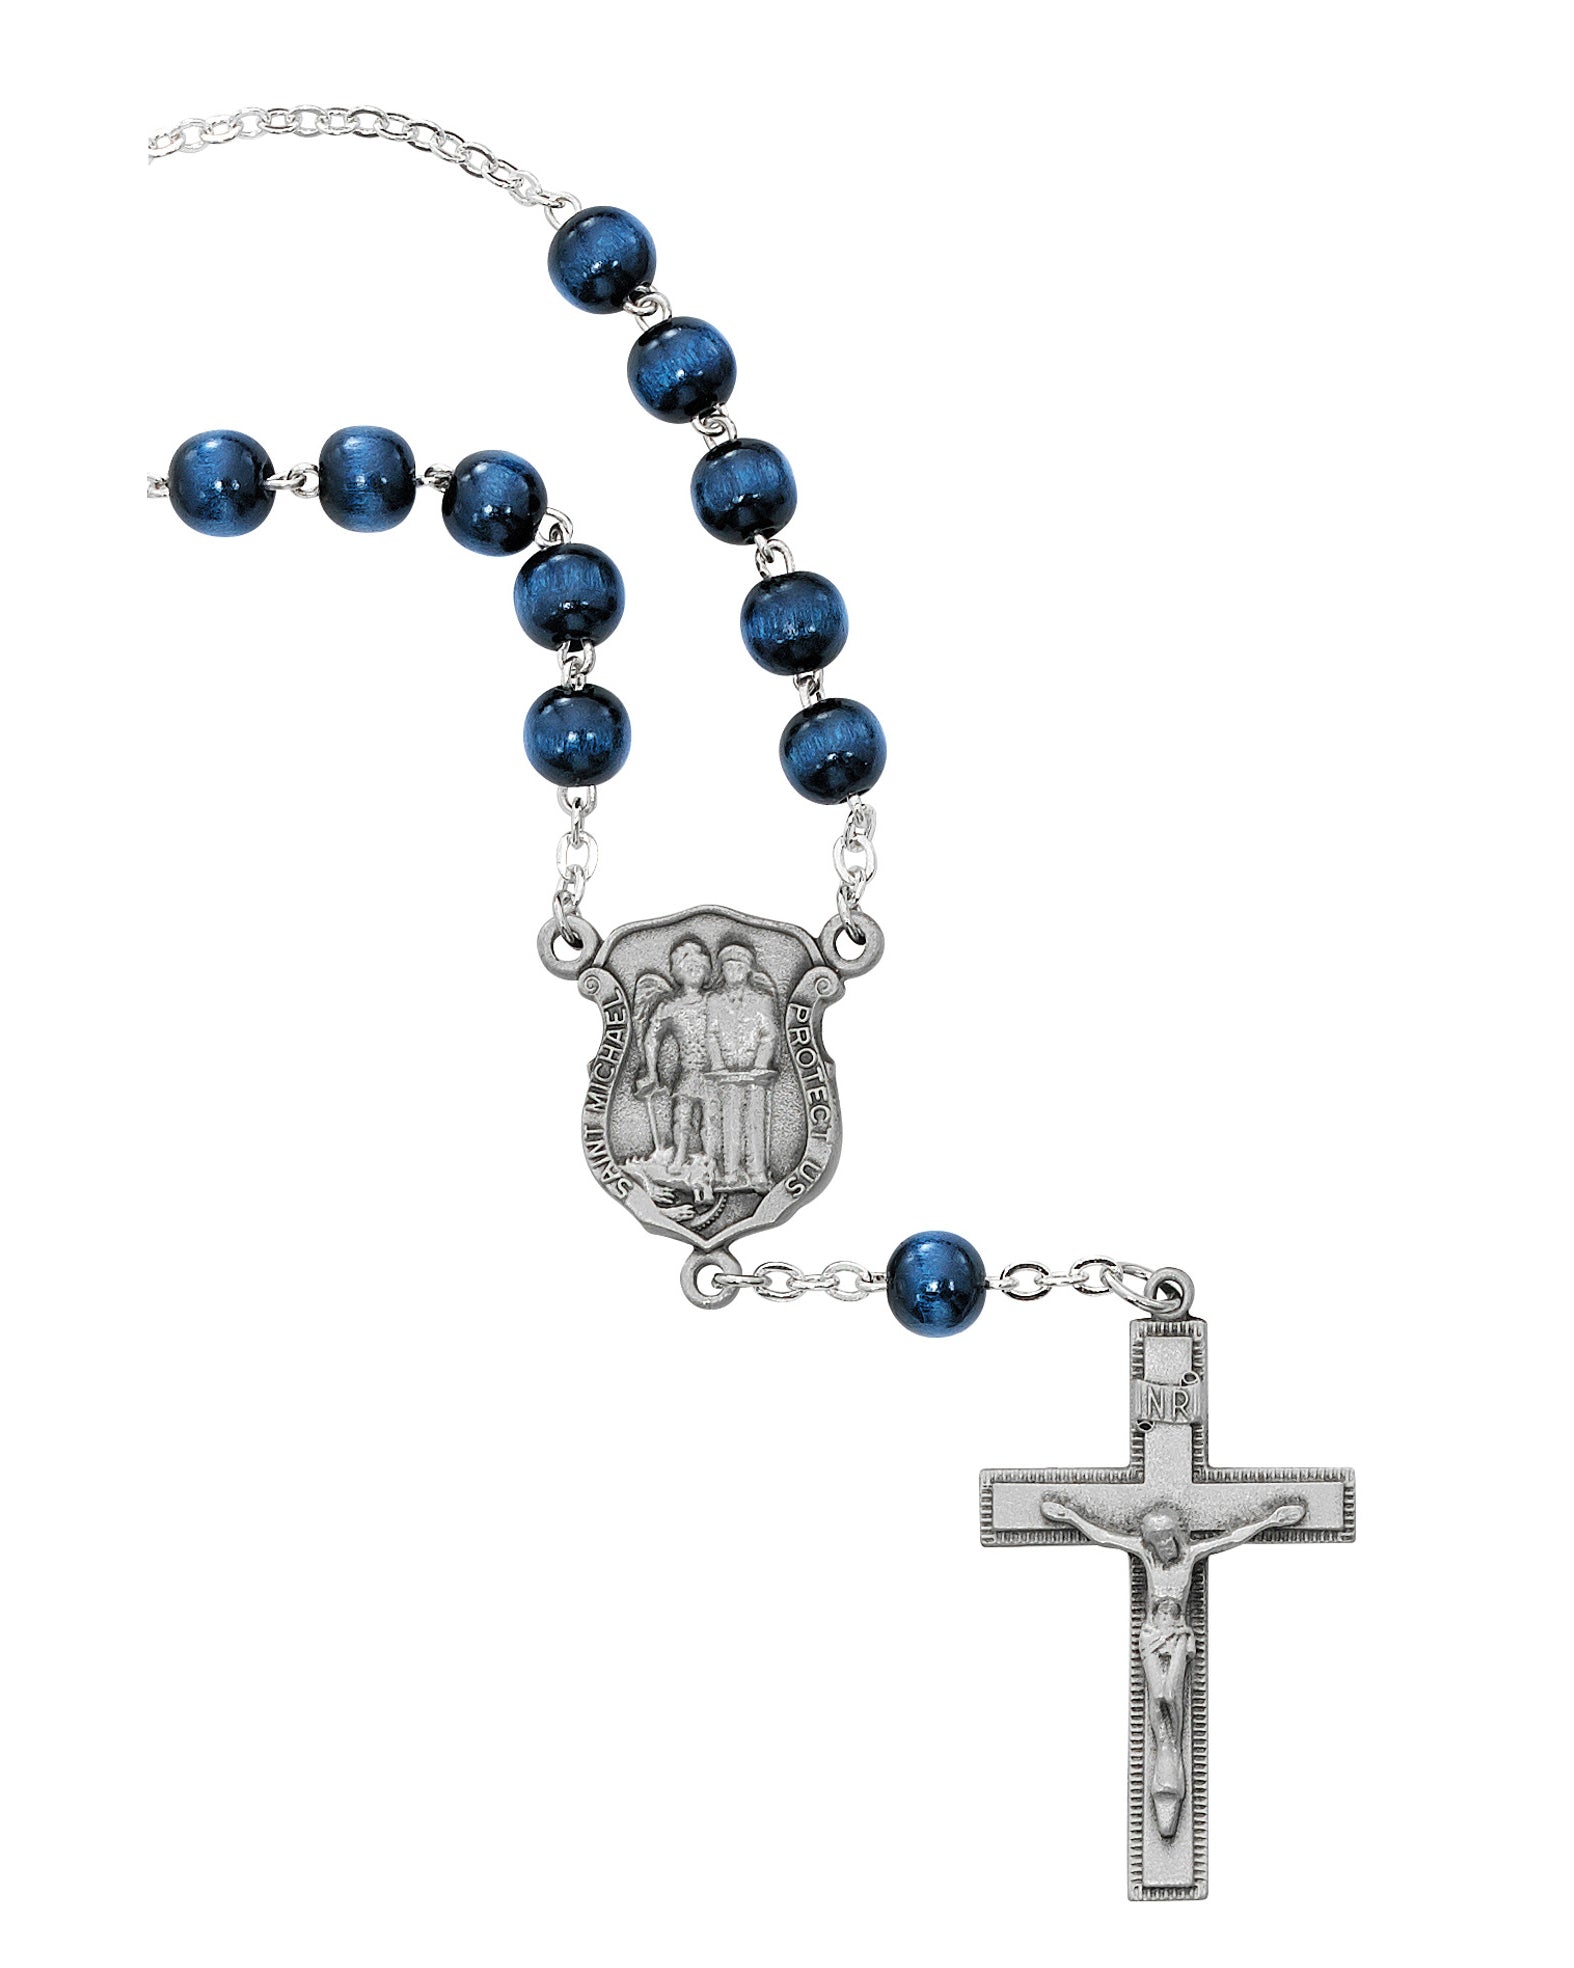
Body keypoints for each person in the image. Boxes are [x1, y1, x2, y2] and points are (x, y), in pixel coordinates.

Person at [1040, 1493, 1305, 1837]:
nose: (1164, 1545)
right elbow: (1104, 1536)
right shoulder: (1147, 1558)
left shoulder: (1190, 1557)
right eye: (1156, 1540)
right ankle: (1165, 1750)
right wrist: (1069, 1517)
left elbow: (1232, 1538)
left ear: (1177, 1535)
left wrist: (1271, 1520)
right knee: (1156, 1700)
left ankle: (1172, 1751)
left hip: (1178, 1636)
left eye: (1167, 1538)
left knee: (1171, 1695)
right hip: (1152, 1636)